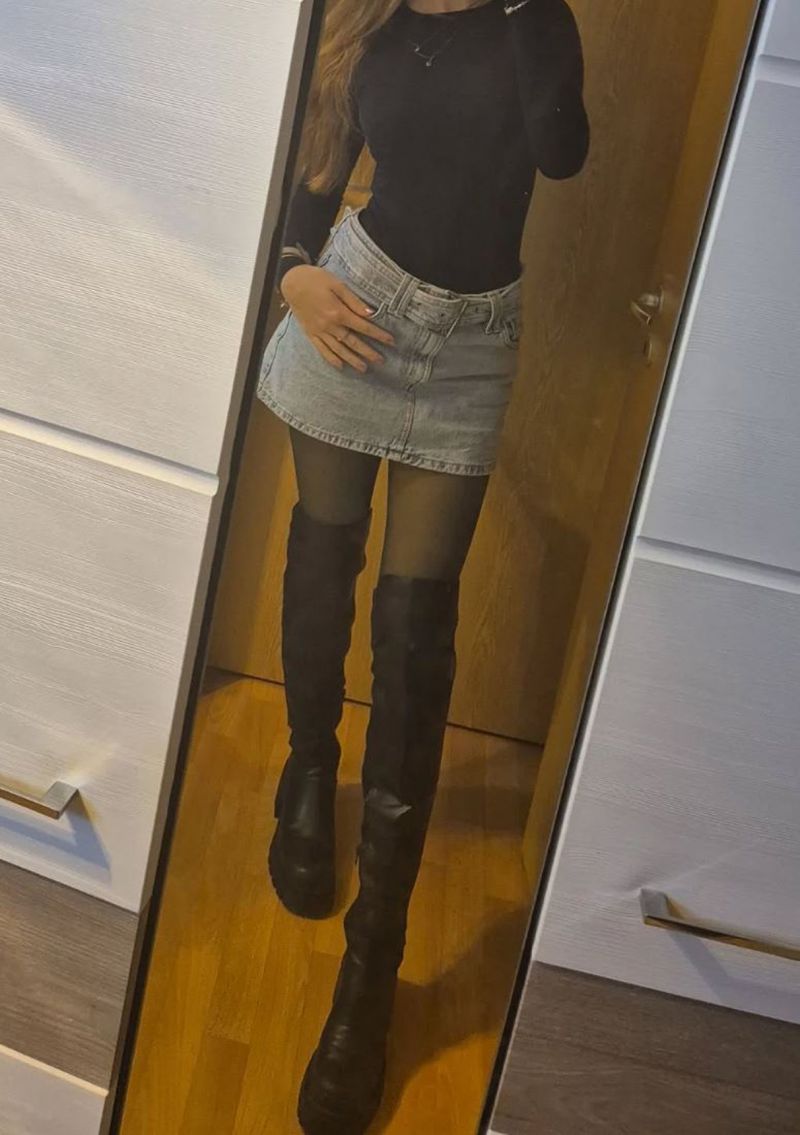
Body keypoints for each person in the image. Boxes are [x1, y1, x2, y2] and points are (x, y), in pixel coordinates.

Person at [256, 1, 588, 1130]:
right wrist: (293, 275)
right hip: (350, 308)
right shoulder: (367, 23)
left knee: (414, 636)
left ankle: (371, 973)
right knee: (321, 557)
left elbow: (562, 152)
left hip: (470, 349)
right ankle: (309, 773)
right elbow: (311, 179)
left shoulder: (535, 22)